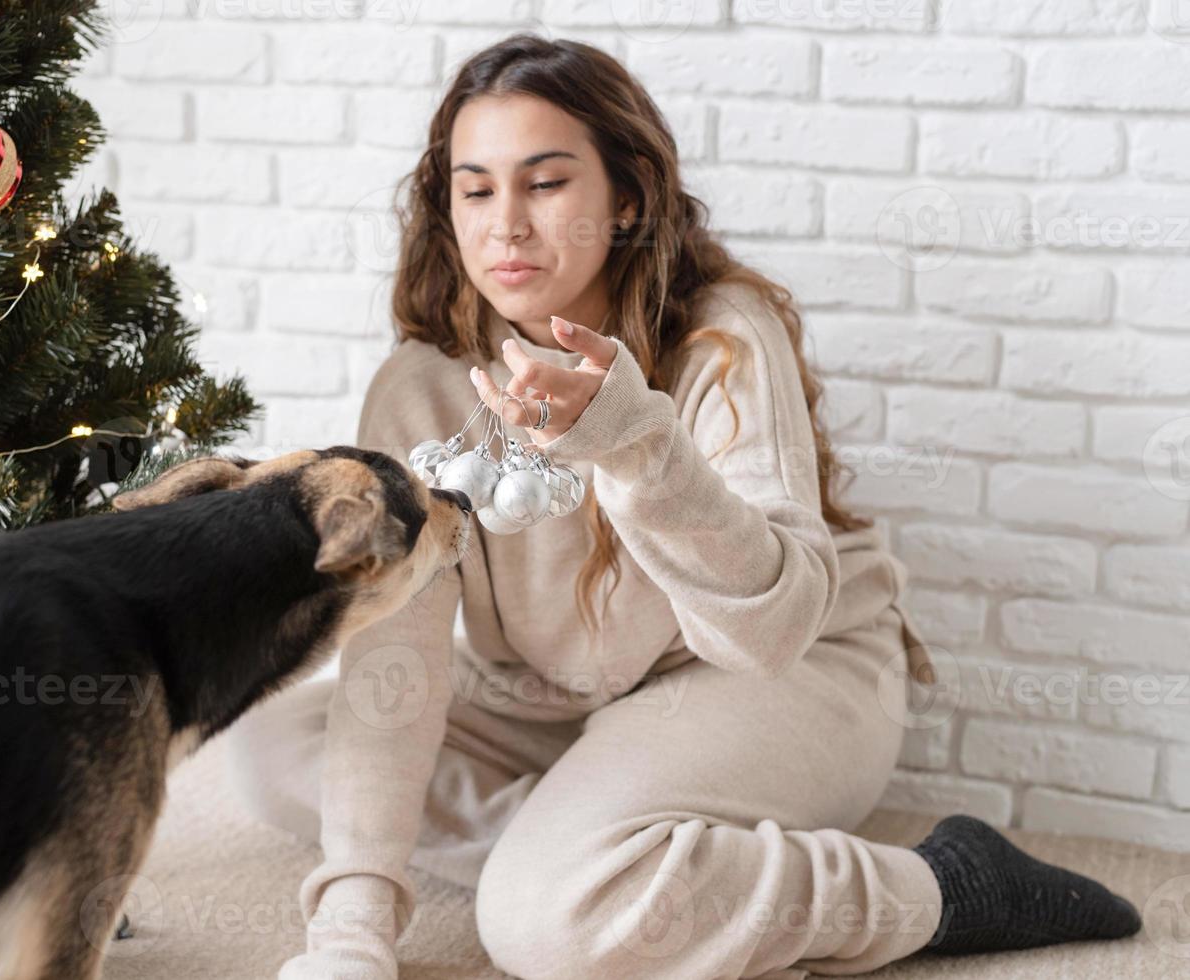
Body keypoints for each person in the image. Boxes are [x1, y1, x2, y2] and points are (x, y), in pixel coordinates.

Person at [224, 33, 1142, 980]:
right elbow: (398, 653)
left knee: (546, 931)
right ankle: (605, 851)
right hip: (562, 696)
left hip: (780, 673)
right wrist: (351, 931)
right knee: (271, 740)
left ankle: (941, 886)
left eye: (544, 184)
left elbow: (769, 633)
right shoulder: (418, 387)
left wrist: (636, 444)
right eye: (475, 187)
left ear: (625, 199)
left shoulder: (720, 341)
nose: (505, 225)